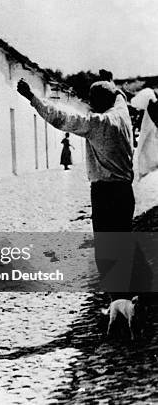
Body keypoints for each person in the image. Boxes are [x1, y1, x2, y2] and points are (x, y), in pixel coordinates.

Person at [17, 79, 138, 291]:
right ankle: (129, 294)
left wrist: (32, 98)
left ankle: (118, 300)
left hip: (105, 192)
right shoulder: (122, 113)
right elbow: (120, 96)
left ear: (98, 102)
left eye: (92, 100)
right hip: (125, 191)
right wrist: (110, 83)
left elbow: (61, 118)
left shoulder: (98, 123)